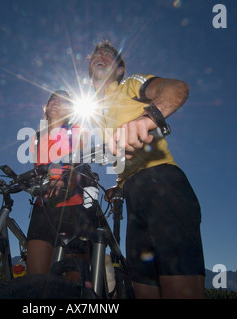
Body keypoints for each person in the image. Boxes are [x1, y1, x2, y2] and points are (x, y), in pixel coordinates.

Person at [88, 41, 205, 298]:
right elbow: (125, 155)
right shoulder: (95, 113)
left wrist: (148, 118)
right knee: (144, 289)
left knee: (179, 287)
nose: (101, 56)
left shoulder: (130, 84)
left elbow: (177, 88)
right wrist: (118, 186)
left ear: (120, 70)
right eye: (97, 55)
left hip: (164, 185)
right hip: (132, 196)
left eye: (109, 55)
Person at [26, 90, 97, 281]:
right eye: (53, 99)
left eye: (64, 101)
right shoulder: (37, 137)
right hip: (44, 208)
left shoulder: (77, 131)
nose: (57, 102)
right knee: (35, 282)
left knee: (76, 282)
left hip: (75, 209)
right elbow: (38, 170)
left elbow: (78, 164)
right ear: (46, 107)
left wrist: (64, 176)